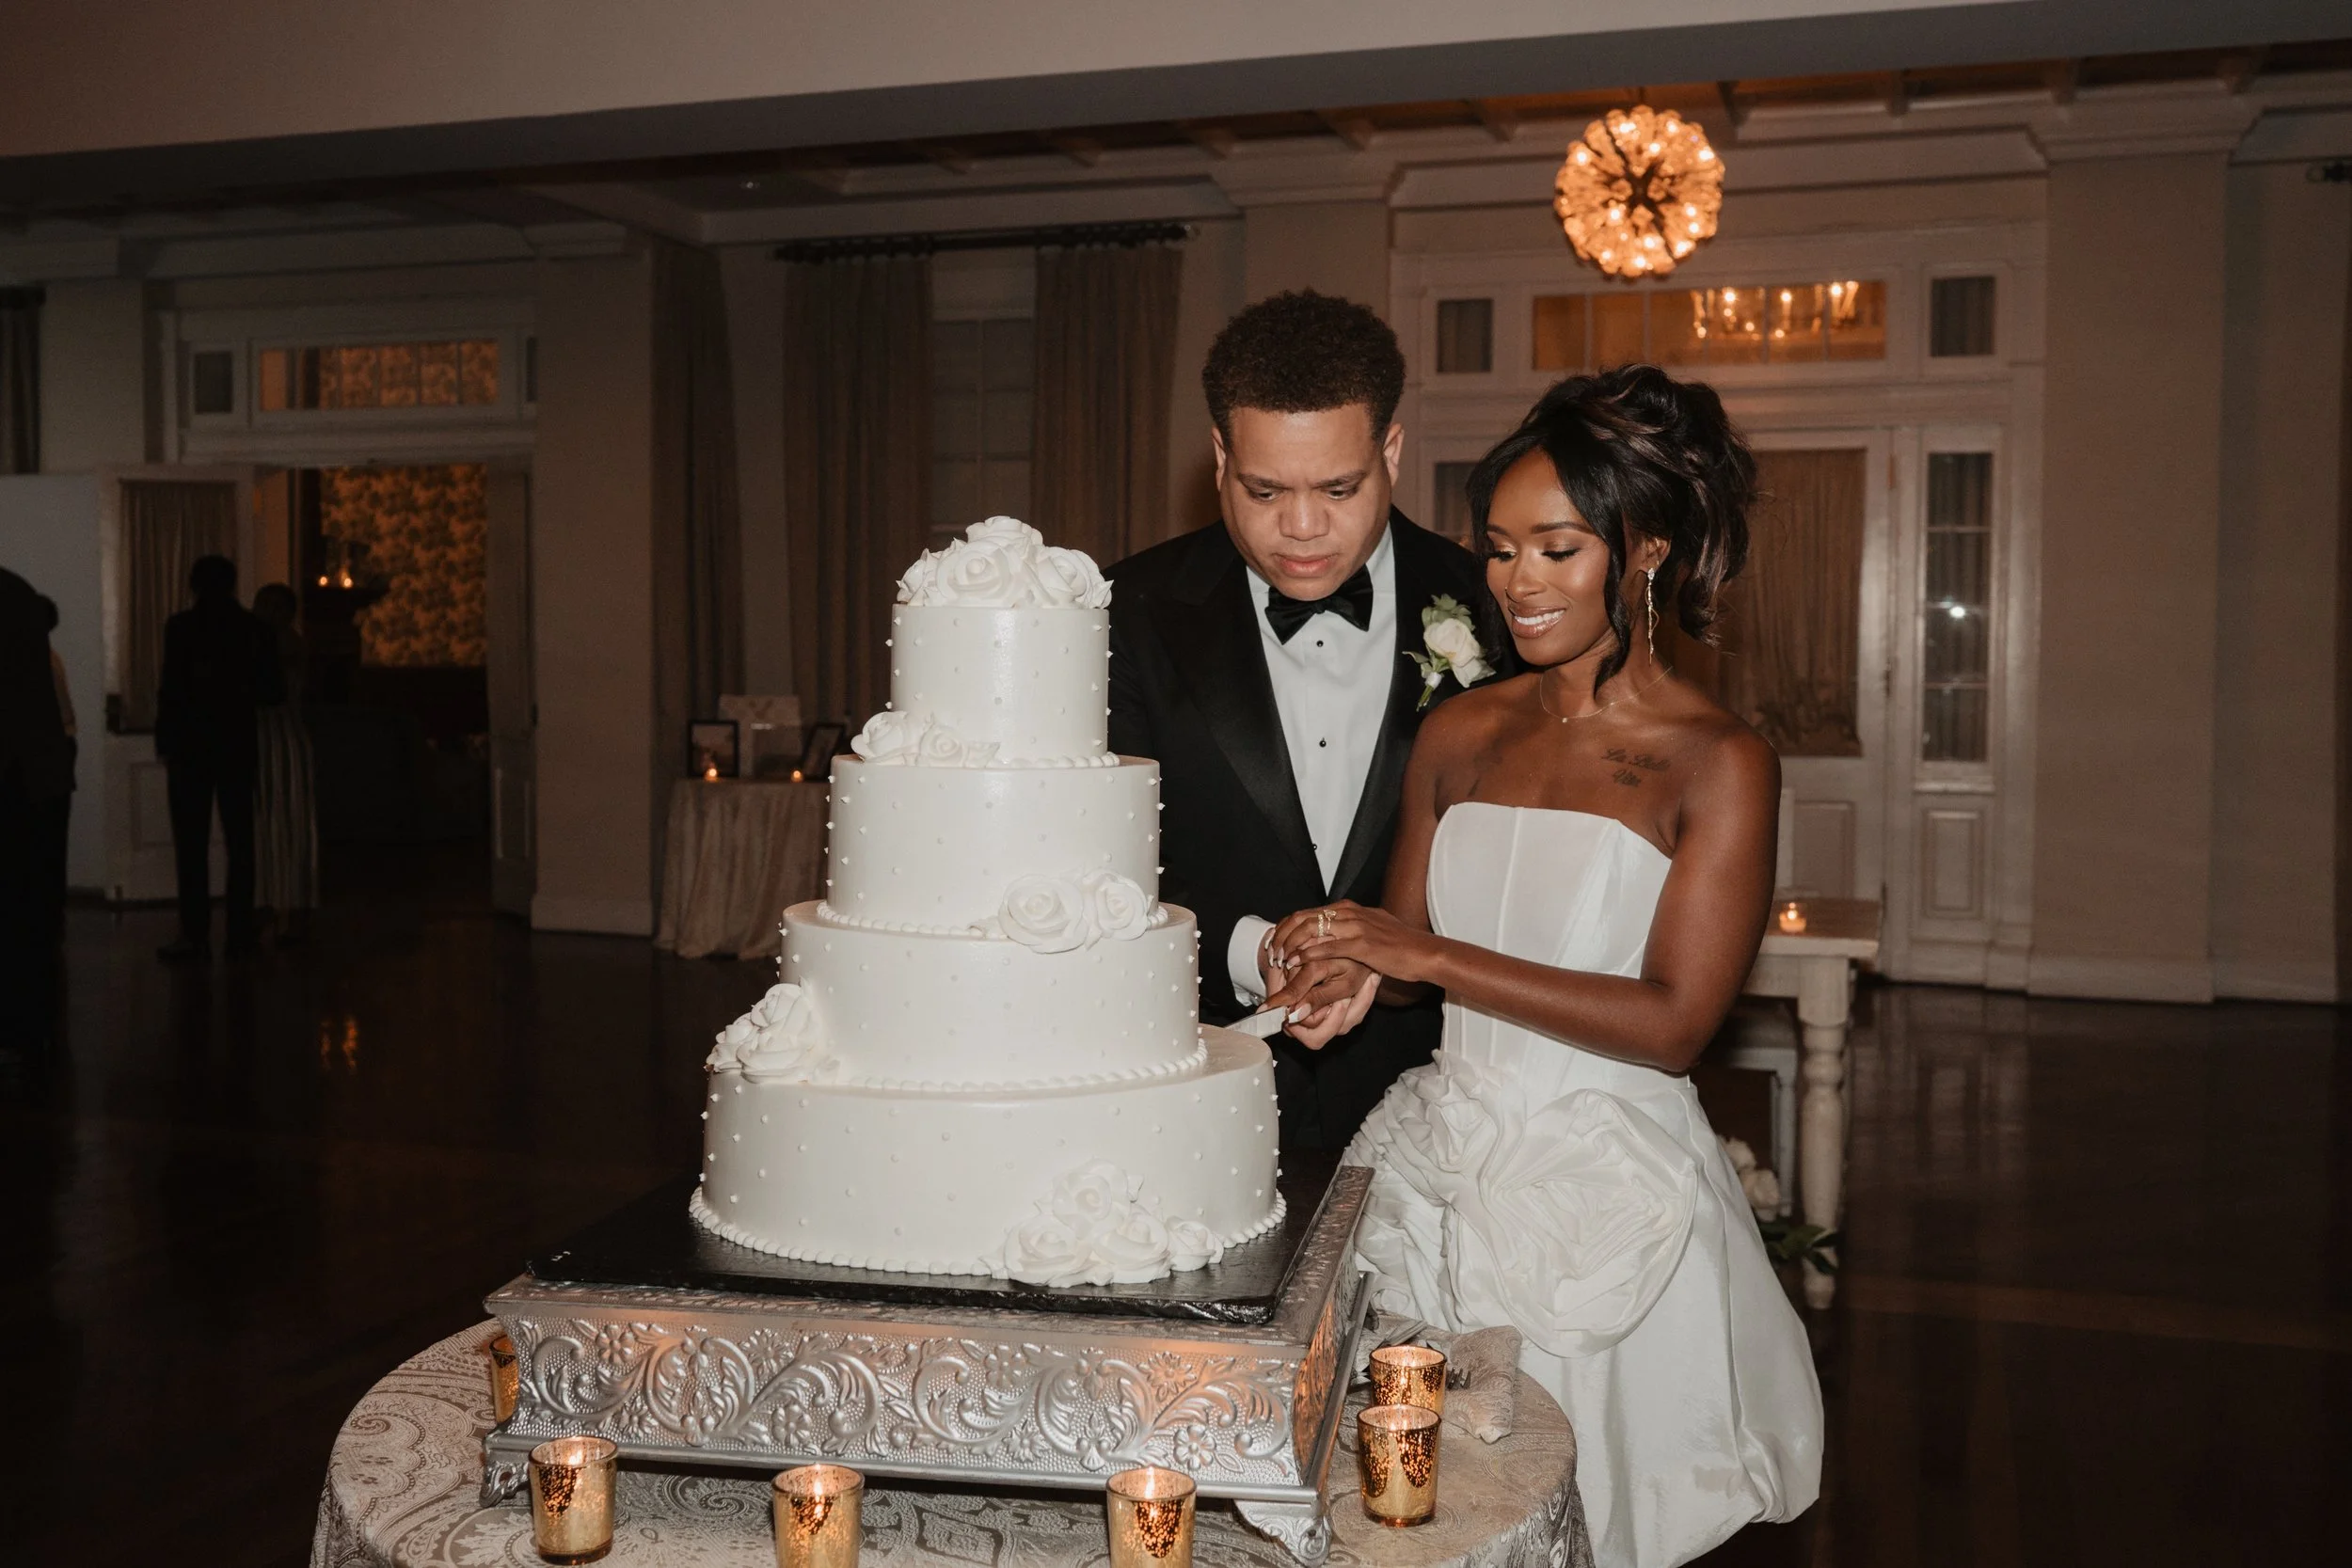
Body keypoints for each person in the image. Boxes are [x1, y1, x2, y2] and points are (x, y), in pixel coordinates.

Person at [1267, 365, 1823, 1567]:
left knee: (1601, 1517)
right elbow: (1415, 971)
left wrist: (1418, 946)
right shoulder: (1462, 728)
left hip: (1604, 1187)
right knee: (1416, 1508)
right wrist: (1347, 965)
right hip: (1441, 1158)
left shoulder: (1716, 761)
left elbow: (1675, 1021)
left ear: (1645, 552)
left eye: (1556, 550)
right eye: (1500, 549)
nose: (1515, 583)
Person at [1106, 291, 1510, 1151]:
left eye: (1338, 487)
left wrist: (1396, 953)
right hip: (1194, 1090)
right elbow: (1101, 863)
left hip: (1445, 1096)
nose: (1300, 528)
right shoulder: (1126, 610)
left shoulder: (1497, 605)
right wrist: (1256, 950)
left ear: (1390, 450)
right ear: (1219, 455)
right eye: (1263, 490)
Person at [155, 555, 282, 961]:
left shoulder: (181, 627)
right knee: (241, 842)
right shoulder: (255, 630)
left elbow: (170, 689)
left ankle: (194, 935)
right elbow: (273, 692)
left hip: (190, 746)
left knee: (190, 845)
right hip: (236, 743)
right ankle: (239, 933)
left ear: (194, 585)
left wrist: (167, 740)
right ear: (232, 583)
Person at [0, 570, 74, 1058]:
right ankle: (32, 1025)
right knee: (33, 908)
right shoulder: (15, 594)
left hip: (15, 776)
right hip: (38, 776)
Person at [250, 582, 318, 943]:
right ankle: (281, 904)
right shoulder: (286, 642)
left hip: (277, 736)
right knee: (277, 824)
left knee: (280, 824)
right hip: (279, 736)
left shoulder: (283, 644)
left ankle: (282, 905)